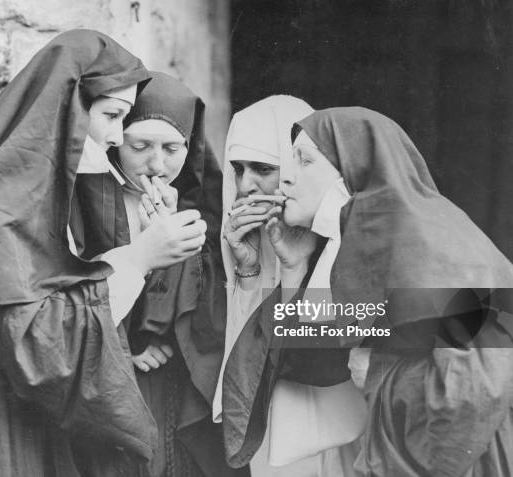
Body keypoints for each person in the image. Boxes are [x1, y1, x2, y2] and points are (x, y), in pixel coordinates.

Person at [0, 30, 208, 476]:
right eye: (111, 116)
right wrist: (139, 258)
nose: (114, 136)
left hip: (18, 412)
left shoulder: (40, 191)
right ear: (67, 106)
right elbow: (38, 343)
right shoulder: (0, 200)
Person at [279, 106, 513, 476]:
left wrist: (380, 373)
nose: (285, 179)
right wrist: (293, 269)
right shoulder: (352, 244)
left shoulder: (422, 239)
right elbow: (309, 360)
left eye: (304, 161)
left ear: (355, 167)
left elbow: (477, 379)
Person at [68, 71, 245, 477]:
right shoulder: (84, 201)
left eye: (172, 148)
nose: (157, 164)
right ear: (116, 140)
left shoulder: (201, 203)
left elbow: (216, 296)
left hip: (181, 379)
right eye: (140, 145)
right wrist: (122, 345)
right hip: (112, 376)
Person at [213, 95, 362, 477]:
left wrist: (295, 270)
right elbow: (248, 353)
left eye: (263, 168)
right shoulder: (246, 234)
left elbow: (321, 344)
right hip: (274, 425)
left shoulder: (343, 232)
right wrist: (247, 269)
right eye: (238, 169)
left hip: (334, 421)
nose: (246, 185)